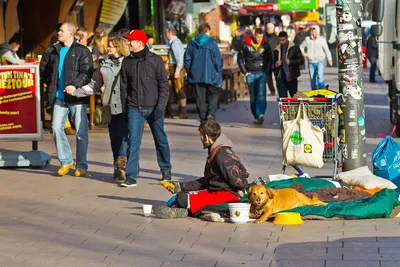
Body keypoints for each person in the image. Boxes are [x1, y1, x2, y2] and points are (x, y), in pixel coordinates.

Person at [153, 120, 249, 219]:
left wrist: (242, 192)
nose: (200, 138)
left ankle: (212, 211)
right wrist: (180, 187)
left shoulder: (222, 156)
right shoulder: (215, 151)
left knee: (182, 200)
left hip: (228, 196)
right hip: (216, 192)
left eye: (201, 136)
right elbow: (206, 181)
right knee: (181, 196)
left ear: (206, 137)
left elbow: (239, 183)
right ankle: (193, 211)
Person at [65, 37, 130, 183]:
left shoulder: (129, 63)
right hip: (110, 107)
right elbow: (94, 85)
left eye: (111, 47)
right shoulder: (103, 65)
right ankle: (118, 165)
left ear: (119, 48)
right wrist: (75, 91)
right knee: (114, 137)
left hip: (126, 106)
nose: (108, 49)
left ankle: (124, 166)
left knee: (124, 136)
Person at [39, 22, 93, 177]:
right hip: (59, 97)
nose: (59, 33)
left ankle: (81, 165)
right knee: (56, 128)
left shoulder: (82, 51)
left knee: (81, 132)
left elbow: (87, 73)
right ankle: (66, 161)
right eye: (59, 30)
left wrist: (74, 85)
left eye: (62, 31)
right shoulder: (53, 50)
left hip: (76, 97)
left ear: (70, 33)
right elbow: (44, 70)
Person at [120, 29, 171, 187]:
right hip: (134, 107)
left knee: (160, 139)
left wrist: (160, 108)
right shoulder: (127, 61)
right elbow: (123, 87)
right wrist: (125, 108)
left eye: (131, 41)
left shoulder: (155, 60)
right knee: (133, 141)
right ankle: (131, 176)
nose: (128, 43)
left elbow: (164, 85)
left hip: (154, 107)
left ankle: (166, 169)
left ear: (140, 43)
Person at [184, 23, 222, 123]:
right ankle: (210, 114)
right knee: (213, 93)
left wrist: (190, 71)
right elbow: (217, 59)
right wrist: (218, 70)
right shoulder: (211, 42)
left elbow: (187, 60)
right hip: (211, 74)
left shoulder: (191, 43)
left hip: (196, 75)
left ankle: (203, 117)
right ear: (207, 31)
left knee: (200, 97)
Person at [238, 28, 272, 124]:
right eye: (258, 37)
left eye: (261, 37)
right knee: (253, 97)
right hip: (250, 73)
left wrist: (266, 71)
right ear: (254, 36)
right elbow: (240, 59)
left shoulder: (265, 45)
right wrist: (245, 72)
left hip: (261, 73)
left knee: (261, 94)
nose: (260, 39)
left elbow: (269, 59)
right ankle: (256, 115)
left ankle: (260, 114)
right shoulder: (246, 45)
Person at [166, 27, 188, 119]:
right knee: (177, 90)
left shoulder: (175, 43)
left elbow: (179, 58)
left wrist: (177, 71)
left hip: (176, 67)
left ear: (170, 33)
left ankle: (183, 112)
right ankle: (180, 111)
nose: (166, 35)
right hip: (174, 67)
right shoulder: (175, 42)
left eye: (166, 33)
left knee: (179, 90)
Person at [274, 31, 304, 98]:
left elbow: (301, 60)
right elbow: (273, 63)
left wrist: (290, 61)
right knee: (283, 99)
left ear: (287, 38)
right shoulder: (276, 49)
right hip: (281, 77)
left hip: (292, 77)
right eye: (280, 40)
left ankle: (294, 108)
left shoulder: (294, 47)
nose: (281, 42)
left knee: (294, 98)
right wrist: (276, 64)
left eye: (283, 40)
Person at [265, 23, 279, 96]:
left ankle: (280, 90)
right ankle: (272, 91)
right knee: (268, 78)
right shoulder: (264, 38)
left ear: (273, 29)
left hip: (275, 60)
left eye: (270, 28)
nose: (268, 29)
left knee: (278, 77)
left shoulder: (277, 38)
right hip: (267, 61)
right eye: (267, 28)